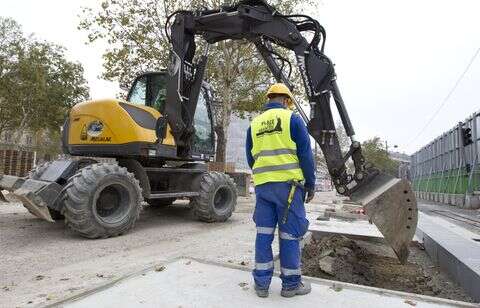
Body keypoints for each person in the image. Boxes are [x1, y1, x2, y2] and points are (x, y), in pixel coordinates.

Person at [245, 83, 316, 298]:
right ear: (286, 100)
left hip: (264, 188)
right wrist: (310, 184)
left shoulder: (254, 124)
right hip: (289, 189)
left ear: (269, 99)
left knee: (263, 234)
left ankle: (261, 284)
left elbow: (251, 157)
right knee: (289, 235)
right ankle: (291, 285)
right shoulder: (292, 119)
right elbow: (305, 155)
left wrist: (264, 176)